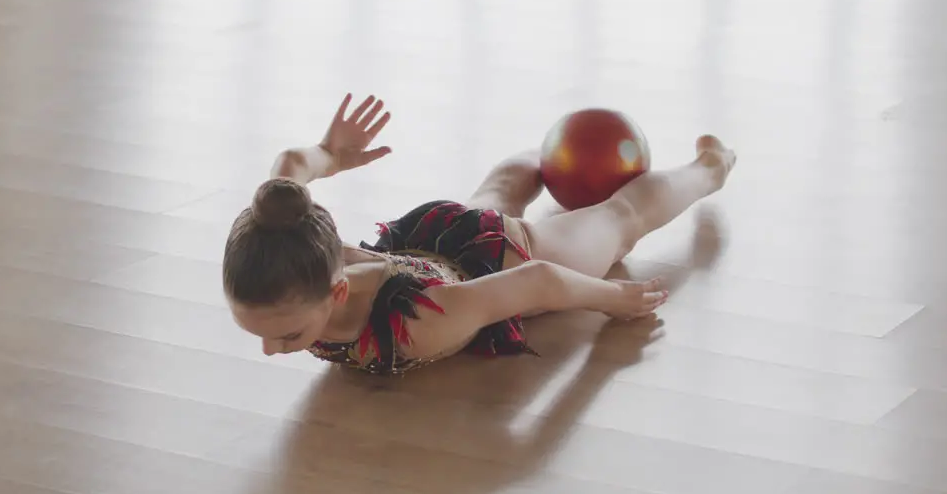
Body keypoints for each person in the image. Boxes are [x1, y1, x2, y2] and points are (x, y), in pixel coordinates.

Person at [223, 94, 736, 376]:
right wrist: (328, 153)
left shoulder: (419, 321)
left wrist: (613, 299)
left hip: (502, 261)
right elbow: (289, 169)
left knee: (620, 221)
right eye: (260, 333)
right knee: (496, 196)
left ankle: (710, 166)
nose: (271, 350)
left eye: (287, 335)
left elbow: (536, 283)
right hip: (435, 236)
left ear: (337, 292)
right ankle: (542, 160)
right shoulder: (284, 237)